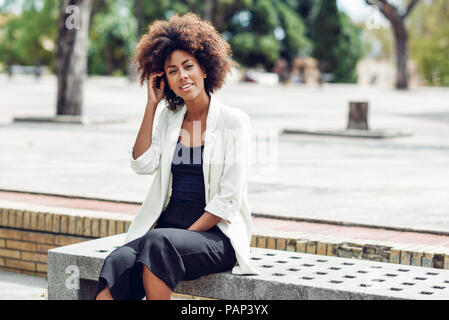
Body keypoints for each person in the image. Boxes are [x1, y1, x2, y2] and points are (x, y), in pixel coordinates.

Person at [94, 13, 259, 301]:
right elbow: (142, 163)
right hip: (168, 233)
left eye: (188, 66)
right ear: (165, 80)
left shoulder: (234, 121)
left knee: (159, 244)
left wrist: (186, 236)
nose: (182, 76)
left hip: (215, 236)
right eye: (172, 71)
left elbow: (229, 199)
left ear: (204, 69)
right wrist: (151, 106)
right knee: (118, 260)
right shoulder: (169, 118)